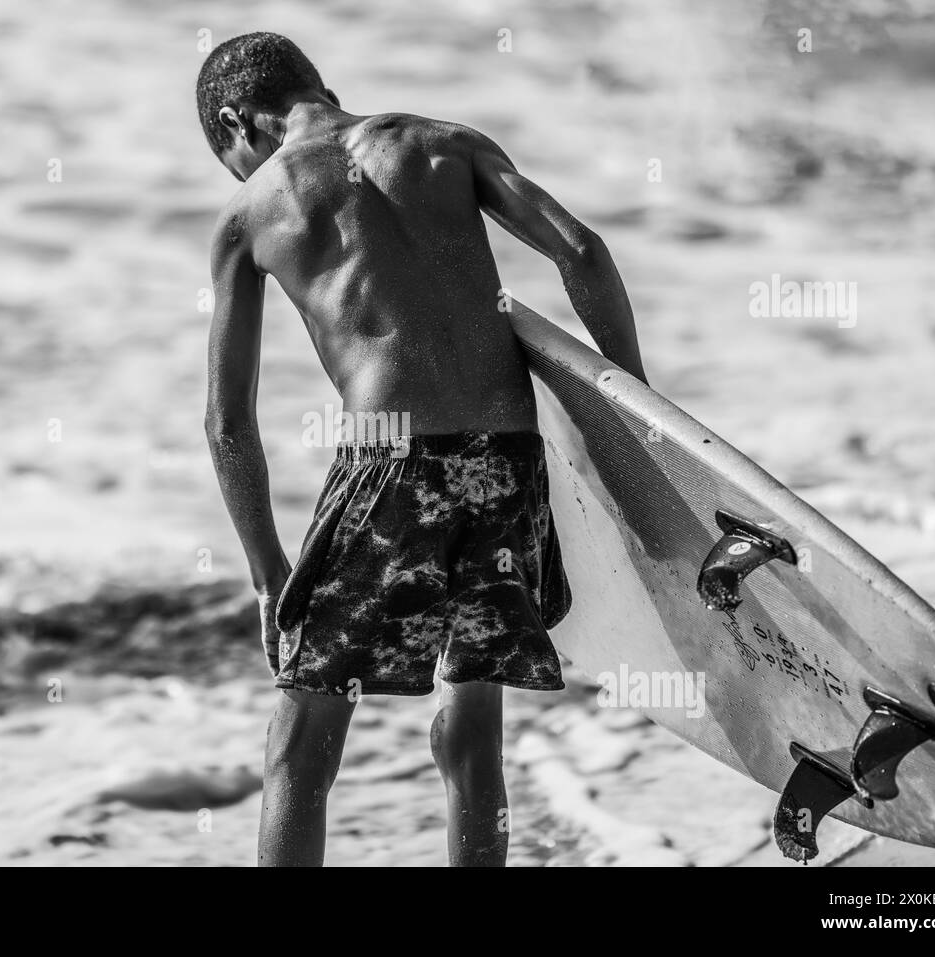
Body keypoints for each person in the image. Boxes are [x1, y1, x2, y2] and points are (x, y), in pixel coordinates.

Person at [198, 32, 646, 866]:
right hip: (508, 462)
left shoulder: (252, 209)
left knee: (301, 747)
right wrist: (636, 410)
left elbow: (228, 423)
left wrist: (268, 571)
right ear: (320, 87)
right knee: (473, 734)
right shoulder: (447, 144)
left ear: (236, 123)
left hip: (387, 465)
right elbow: (583, 250)